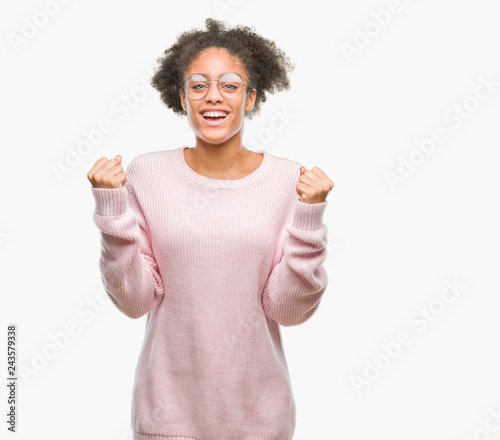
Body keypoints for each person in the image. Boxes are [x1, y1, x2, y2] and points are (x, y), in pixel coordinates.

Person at [87, 18, 334, 440]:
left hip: (260, 422)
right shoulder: (147, 174)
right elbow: (133, 300)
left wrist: (310, 217)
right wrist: (111, 210)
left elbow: (288, 310)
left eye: (230, 85)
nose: (213, 96)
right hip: (167, 421)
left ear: (251, 96)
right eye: (198, 85)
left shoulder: (290, 181)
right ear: (182, 98)